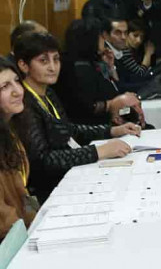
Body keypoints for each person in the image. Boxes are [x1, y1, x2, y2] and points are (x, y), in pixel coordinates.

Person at [13, 33, 140, 201]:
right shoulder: (24, 104)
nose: (52, 67)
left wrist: (112, 131)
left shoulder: (47, 92)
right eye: (43, 61)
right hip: (49, 189)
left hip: (67, 174)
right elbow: (44, 161)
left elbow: (68, 130)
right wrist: (98, 151)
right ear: (23, 65)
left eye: (56, 59)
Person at [57, 20, 145, 127]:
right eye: (101, 37)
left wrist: (110, 68)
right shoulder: (80, 68)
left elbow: (114, 91)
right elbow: (86, 107)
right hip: (95, 126)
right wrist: (113, 103)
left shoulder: (92, 63)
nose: (104, 40)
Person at [0, 58, 37, 238]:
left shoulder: (11, 130)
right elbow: (3, 217)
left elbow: (22, 192)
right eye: (5, 86)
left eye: (16, 81)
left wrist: (37, 220)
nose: (18, 91)